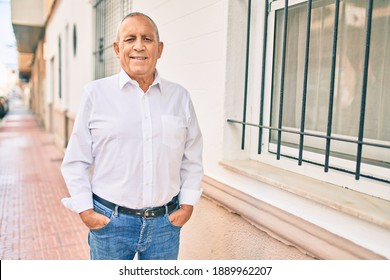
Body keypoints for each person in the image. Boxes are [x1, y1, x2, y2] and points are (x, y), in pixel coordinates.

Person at [61, 12, 203, 260]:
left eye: (147, 38)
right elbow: (76, 160)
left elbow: (192, 157)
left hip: (164, 227)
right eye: (130, 39)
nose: (139, 46)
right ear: (117, 49)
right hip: (110, 224)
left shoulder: (180, 97)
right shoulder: (95, 94)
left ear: (159, 49)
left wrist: (187, 205)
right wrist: (86, 210)